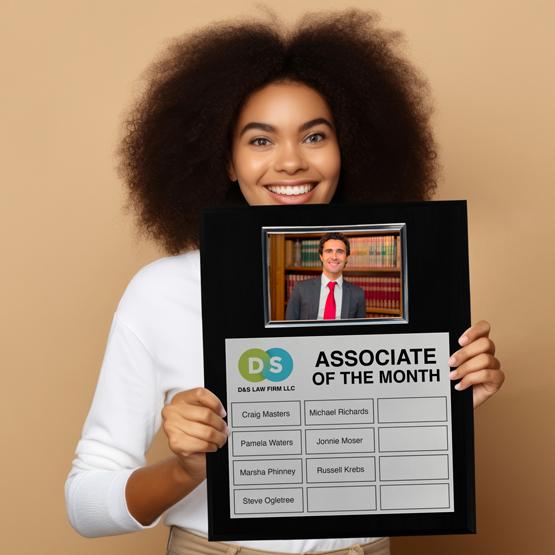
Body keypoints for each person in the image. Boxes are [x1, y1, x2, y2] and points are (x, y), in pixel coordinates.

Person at [65, 10, 505, 555]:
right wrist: (185, 470)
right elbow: (84, 504)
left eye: (315, 135)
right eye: (260, 141)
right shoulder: (160, 292)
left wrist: (447, 406)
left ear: (349, 149)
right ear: (226, 159)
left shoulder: (398, 287)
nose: (291, 162)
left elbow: (357, 449)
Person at [285, 232, 366, 320]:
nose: (334, 257)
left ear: (346, 258)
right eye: (329, 251)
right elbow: (290, 326)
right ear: (321, 257)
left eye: (340, 252)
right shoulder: (301, 289)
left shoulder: (358, 294)